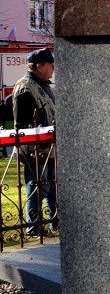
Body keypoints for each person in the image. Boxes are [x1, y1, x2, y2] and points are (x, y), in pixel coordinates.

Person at [13, 49, 56, 237]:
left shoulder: (43, 85)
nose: (53, 69)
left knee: (52, 187)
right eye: (50, 65)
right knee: (37, 187)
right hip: (35, 149)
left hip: (50, 148)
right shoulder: (25, 86)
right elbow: (24, 122)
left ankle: (54, 222)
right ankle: (34, 228)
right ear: (39, 67)